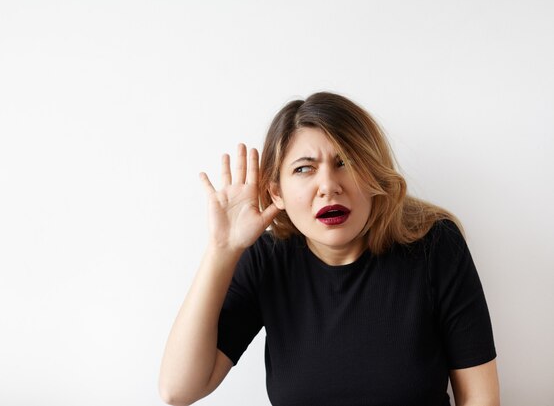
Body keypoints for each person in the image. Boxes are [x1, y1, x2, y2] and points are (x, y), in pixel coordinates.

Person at [159, 92, 499, 406]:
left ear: (374, 175)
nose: (328, 187)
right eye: (303, 169)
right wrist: (222, 249)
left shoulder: (435, 246)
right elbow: (178, 390)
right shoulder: (267, 259)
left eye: (346, 163)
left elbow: (481, 399)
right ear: (276, 192)